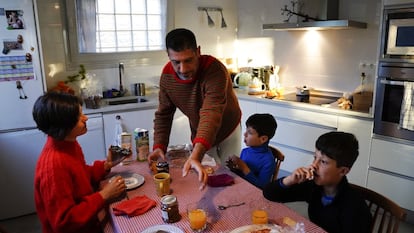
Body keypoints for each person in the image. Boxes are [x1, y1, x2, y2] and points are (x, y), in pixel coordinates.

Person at [147, 28, 242, 190]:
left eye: (188, 60)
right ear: (168, 55)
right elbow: (164, 114)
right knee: (209, 176)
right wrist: (159, 146)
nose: (183, 69)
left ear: (198, 51)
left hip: (228, 129)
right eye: (176, 62)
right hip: (201, 132)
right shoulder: (167, 77)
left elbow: (211, 112)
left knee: (232, 176)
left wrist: (195, 155)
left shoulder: (214, 70)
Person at [33, 91, 127, 233]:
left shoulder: (68, 143)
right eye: (78, 117)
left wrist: (105, 165)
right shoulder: (53, 167)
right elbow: (64, 221)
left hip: (90, 223)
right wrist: (104, 195)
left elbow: (80, 174)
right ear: (63, 126)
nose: (85, 118)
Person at [262, 131, 372, 233]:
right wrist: (290, 180)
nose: (314, 165)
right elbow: (269, 194)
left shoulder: (355, 208)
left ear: (343, 171)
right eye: (315, 158)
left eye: (323, 162)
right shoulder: (313, 187)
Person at [226, 113, 277, 189]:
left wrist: (244, 168)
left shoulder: (268, 161)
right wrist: (233, 168)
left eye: (249, 132)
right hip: (241, 187)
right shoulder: (245, 151)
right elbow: (241, 175)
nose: (244, 134)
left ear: (263, 139)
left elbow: (263, 187)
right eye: (246, 130)